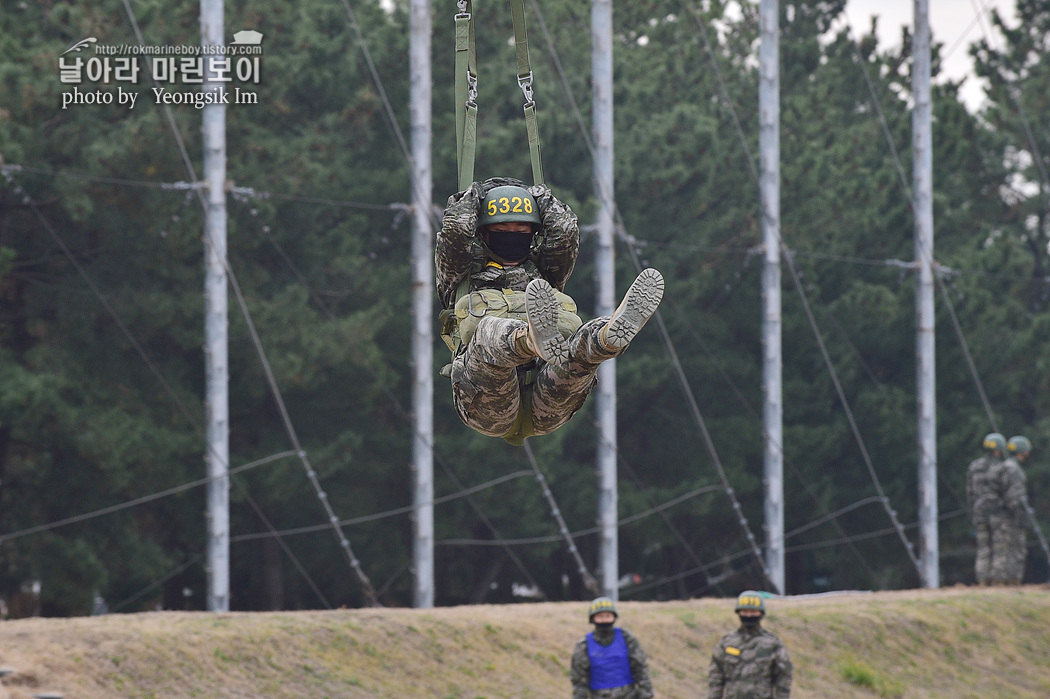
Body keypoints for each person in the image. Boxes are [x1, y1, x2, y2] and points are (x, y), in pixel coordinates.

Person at [436, 177, 664, 445]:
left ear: (533, 234)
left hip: (548, 400)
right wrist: (475, 194)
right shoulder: (461, 276)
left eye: (521, 229)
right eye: (503, 228)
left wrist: (541, 198)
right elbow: (456, 231)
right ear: (484, 234)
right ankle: (531, 339)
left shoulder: (544, 273)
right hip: (486, 404)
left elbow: (565, 232)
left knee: (580, 346)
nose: (512, 234)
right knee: (487, 330)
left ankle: (606, 340)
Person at [708, 591, 792, 699]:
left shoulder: (773, 644)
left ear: (761, 613)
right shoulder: (726, 643)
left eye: (753, 611)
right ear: (738, 612)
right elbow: (716, 677)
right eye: (745, 611)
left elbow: (784, 677)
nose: (749, 615)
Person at [569, 596, 654, 699]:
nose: (604, 620)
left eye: (608, 616)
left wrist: (646, 694)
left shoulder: (627, 639)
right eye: (600, 616)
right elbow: (579, 680)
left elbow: (641, 669)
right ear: (593, 618)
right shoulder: (584, 645)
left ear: (614, 617)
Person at [986, 435, 1033, 585]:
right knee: (1014, 550)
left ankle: (999, 583)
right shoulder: (1014, 470)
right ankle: (1010, 583)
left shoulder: (1002, 467)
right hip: (1010, 517)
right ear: (1023, 452)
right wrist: (1021, 516)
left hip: (997, 515)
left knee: (1001, 549)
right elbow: (1015, 497)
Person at [966, 432, 1007, 585]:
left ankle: (983, 580)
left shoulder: (975, 466)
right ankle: (997, 581)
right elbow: (1008, 492)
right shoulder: (1003, 468)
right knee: (999, 547)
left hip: (979, 513)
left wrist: (973, 509)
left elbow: (969, 492)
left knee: (983, 548)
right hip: (998, 513)